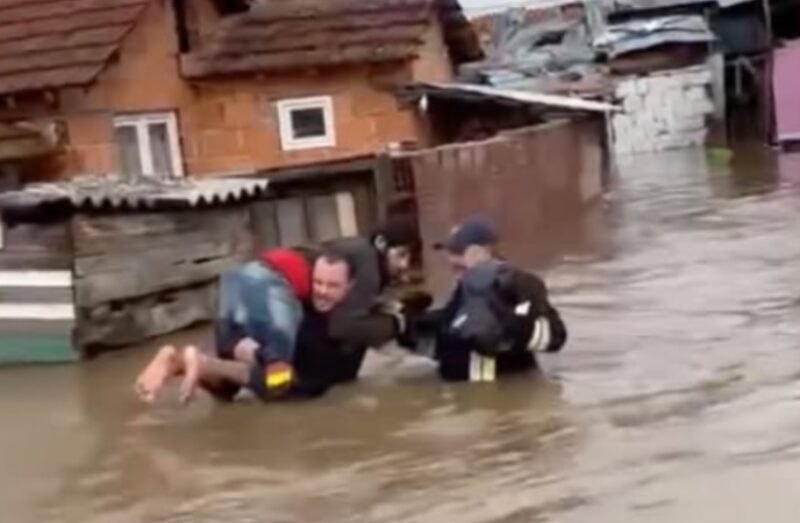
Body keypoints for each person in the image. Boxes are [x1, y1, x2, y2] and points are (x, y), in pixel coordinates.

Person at [405, 215, 567, 382]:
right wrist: (409, 323)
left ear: (480, 252)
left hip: (497, 388)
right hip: (466, 386)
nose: (451, 259)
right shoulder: (466, 290)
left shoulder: (516, 285)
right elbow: (448, 324)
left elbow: (553, 337)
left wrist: (508, 326)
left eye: (457, 252)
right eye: (449, 252)